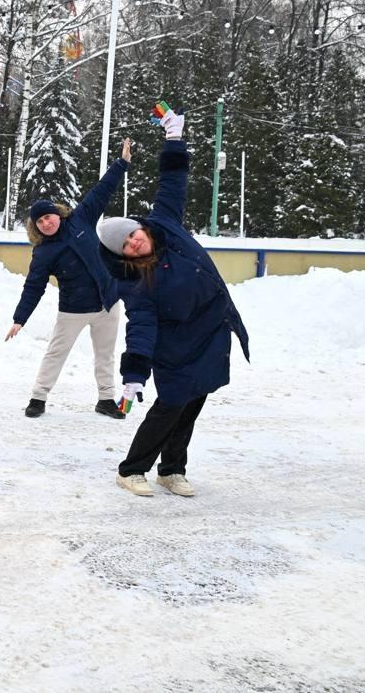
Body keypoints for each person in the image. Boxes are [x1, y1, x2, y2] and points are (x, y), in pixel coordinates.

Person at [99, 109, 250, 498]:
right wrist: (134, 373)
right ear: (126, 256)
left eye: (133, 234)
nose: (134, 242)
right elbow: (142, 327)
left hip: (211, 333)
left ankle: (172, 469)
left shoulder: (164, 224)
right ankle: (131, 469)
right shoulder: (136, 282)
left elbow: (172, 182)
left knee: (194, 402)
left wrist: (174, 138)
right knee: (171, 405)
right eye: (127, 245)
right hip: (177, 347)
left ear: (140, 228)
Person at [7, 139, 132, 420]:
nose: (46, 223)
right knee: (56, 352)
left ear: (58, 214)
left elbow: (102, 191)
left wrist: (121, 163)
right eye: (39, 222)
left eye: (48, 217)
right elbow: (33, 287)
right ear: (35, 226)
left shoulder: (81, 219)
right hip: (73, 309)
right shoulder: (43, 252)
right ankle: (38, 397)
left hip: (107, 302)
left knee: (106, 354)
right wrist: (20, 318)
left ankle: (105, 399)